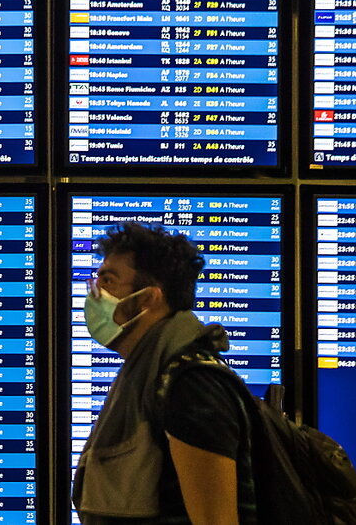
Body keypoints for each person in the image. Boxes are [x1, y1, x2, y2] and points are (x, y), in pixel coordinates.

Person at [72, 222, 255, 525]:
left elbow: (216, 520)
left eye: (108, 280)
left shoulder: (192, 384)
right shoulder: (152, 372)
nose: (95, 293)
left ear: (148, 298)